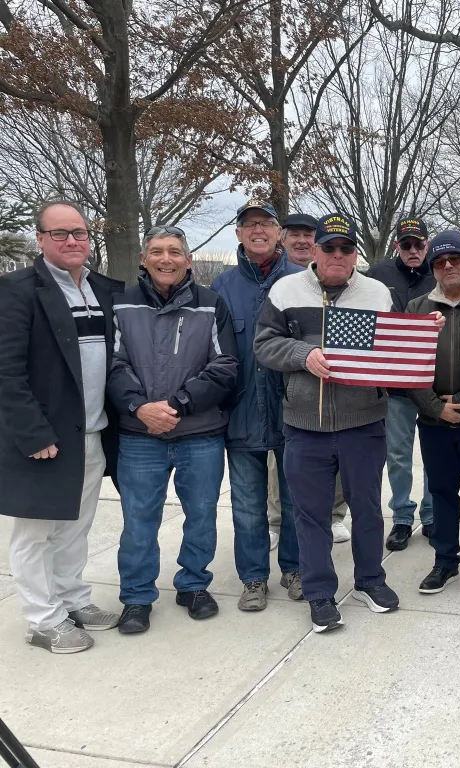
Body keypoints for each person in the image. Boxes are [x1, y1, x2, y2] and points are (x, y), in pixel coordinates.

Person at [255, 212, 442, 633]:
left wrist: (423, 333)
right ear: (315, 251)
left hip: (363, 421)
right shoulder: (286, 290)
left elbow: (394, 347)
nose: (337, 255)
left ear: (356, 253)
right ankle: (320, 592)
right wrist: (304, 356)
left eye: (346, 248)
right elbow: (264, 345)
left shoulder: (375, 292)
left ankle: (369, 580)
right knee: (310, 514)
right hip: (305, 423)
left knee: (367, 508)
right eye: (329, 247)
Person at [0, 200, 123, 654]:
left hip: (92, 432)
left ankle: (73, 600)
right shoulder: (17, 290)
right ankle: (42, 619)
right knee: (36, 533)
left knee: (76, 526)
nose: (72, 241)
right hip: (45, 439)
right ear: (41, 239)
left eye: (79, 233)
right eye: (60, 234)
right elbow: (6, 371)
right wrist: (32, 434)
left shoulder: (103, 290)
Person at [108, 226, 237, 634]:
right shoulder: (121, 303)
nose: (166, 259)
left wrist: (179, 403)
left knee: (201, 515)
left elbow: (225, 366)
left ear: (189, 260)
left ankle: (194, 585)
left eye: (175, 252)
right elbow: (110, 366)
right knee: (138, 520)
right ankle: (136, 597)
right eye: (157, 252)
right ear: (144, 259)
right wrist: (140, 407)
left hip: (199, 432)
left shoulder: (211, 304)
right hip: (138, 434)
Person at [211, 200, 304, 610]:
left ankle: (296, 568)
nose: (258, 230)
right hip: (241, 411)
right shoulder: (222, 286)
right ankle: (253, 578)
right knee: (247, 504)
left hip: (295, 411)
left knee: (296, 498)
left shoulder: (303, 280)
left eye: (266, 223)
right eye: (250, 224)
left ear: (278, 232)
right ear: (238, 234)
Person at [407, 231, 460, 600]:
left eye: (454, 260)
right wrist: (435, 407)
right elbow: (407, 368)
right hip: (433, 422)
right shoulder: (417, 308)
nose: (447, 267)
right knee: (441, 491)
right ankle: (445, 561)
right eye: (440, 263)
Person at [269, 212, 351, 545]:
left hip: (337, 387)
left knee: (335, 452)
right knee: (281, 458)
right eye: (295, 235)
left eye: (309, 235)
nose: (302, 241)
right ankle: (275, 519)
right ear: (281, 238)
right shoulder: (280, 284)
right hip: (282, 382)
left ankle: (334, 514)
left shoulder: (341, 280)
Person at [366, 216, 435, 551]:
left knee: (435, 454)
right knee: (398, 454)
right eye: (406, 244)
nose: (412, 250)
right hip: (394, 385)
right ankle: (403, 517)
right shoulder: (378, 275)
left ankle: (433, 515)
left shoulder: (441, 270)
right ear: (397, 246)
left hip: (435, 382)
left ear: (427, 245)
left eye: (418, 244)